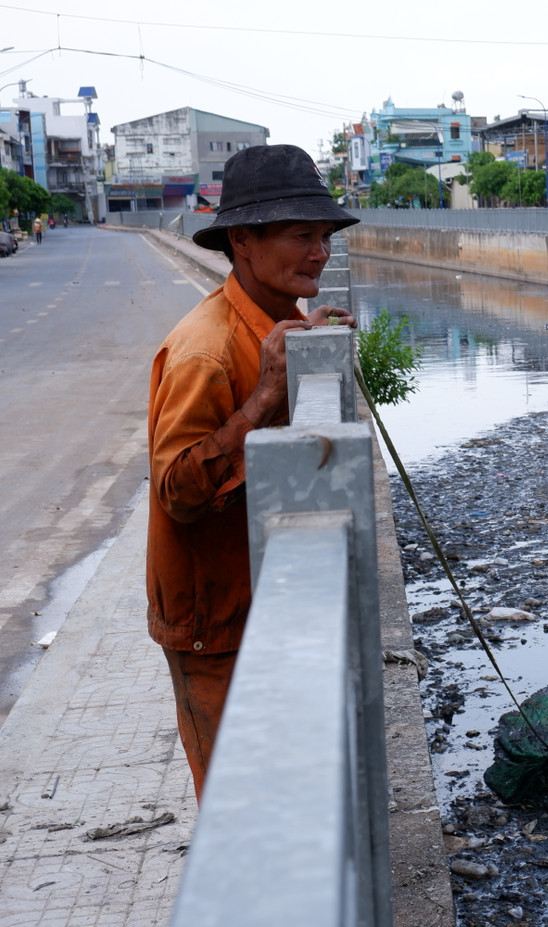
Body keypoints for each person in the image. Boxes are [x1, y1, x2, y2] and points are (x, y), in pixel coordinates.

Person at [146, 144, 359, 800]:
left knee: (284, 778)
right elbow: (177, 490)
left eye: (323, 236)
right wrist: (265, 397)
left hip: (260, 590)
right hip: (212, 620)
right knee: (239, 798)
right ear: (243, 240)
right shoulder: (204, 352)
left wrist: (312, 342)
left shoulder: (275, 320)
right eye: (302, 236)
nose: (320, 251)